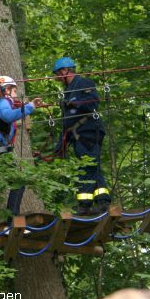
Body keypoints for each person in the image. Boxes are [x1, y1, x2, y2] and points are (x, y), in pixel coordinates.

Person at [0, 76, 42, 218]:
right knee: (18, 179)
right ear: (6, 90)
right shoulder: (2, 102)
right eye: (14, 90)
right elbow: (7, 116)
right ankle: (12, 219)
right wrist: (30, 107)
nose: (15, 94)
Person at [52, 57, 111, 215]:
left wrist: (74, 102)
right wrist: (59, 148)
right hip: (78, 135)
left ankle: (85, 205)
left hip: (89, 132)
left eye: (58, 73)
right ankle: (103, 201)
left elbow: (93, 102)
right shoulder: (67, 91)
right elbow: (67, 122)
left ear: (65, 70)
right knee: (92, 167)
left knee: (88, 168)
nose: (57, 78)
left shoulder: (83, 83)